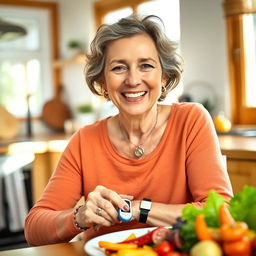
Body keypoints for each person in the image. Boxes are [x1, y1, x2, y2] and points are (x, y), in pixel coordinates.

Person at [24, 15, 233, 246]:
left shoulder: (191, 120)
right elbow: (34, 229)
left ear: (163, 77)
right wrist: (79, 217)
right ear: (103, 82)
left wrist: (139, 210)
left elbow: (220, 211)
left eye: (146, 65)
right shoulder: (85, 140)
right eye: (118, 68)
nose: (133, 80)